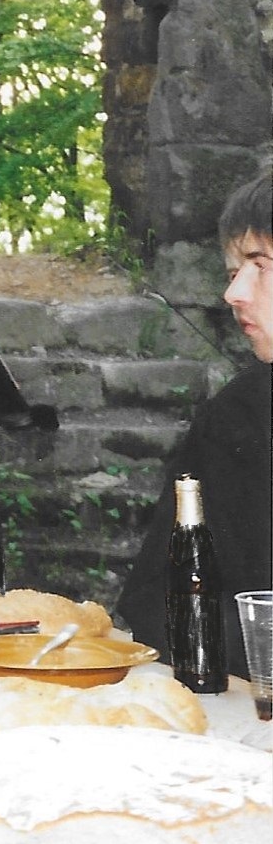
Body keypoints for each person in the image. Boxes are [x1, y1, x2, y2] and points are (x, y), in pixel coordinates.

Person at [116, 168, 273, 677]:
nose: (235, 294)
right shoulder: (233, 419)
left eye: (259, 264)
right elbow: (155, 600)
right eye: (232, 273)